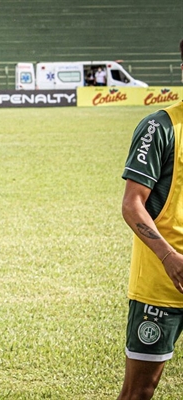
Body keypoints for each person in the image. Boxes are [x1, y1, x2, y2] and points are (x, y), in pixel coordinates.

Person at [117, 39, 183, 400]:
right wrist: (169, 257)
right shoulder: (160, 127)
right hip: (162, 283)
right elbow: (132, 204)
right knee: (140, 390)